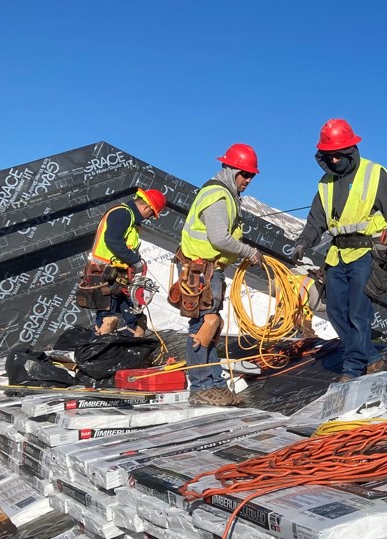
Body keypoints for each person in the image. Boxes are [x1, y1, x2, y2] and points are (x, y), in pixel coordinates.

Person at [292, 119, 387, 381]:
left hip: (367, 254)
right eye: (329, 155)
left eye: (338, 154)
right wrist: (303, 242)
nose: (334, 160)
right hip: (337, 255)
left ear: (350, 150)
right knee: (336, 311)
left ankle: (352, 368)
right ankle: (370, 356)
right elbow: (316, 221)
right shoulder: (325, 183)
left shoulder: (374, 174)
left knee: (359, 312)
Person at [178, 143, 263, 406]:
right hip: (203, 270)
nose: (247, 180)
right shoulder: (218, 195)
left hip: (208, 270)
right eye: (244, 174)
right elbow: (219, 237)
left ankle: (214, 384)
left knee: (211, 328)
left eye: (251, 175)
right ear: (230, 169)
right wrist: (249, 252)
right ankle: (202, 388)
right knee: (203, 327)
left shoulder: (224, 194)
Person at [84, 188, 166, 336]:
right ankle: (97, 356)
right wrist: (135, 261)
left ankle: (128, 353)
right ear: (146, 207)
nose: (149, 218)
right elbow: (113, 241)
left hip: (118, 278)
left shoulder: (129, 219)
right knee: (106, 321)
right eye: (151, 214)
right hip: (104, 275)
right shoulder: (122, 213)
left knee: (135, 320)